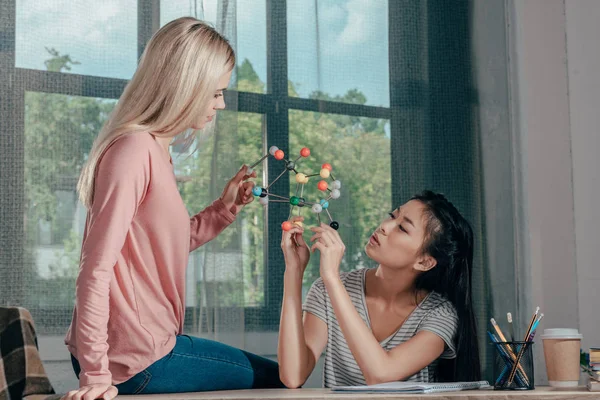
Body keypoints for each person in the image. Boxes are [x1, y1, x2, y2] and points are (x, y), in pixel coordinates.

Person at [63, 17, 283, 399]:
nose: (222, 103)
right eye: (215, 92)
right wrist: (95, 375)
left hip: (142, 350)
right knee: (283, 380)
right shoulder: (134, 150)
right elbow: (95, 269)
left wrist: (223, 209)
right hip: (134, 359)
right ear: (186, 86)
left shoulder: (155, 150)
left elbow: (158, 247)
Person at [278, 190, 481, 388]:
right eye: (392, 216)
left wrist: (332, 278)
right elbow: (293, 376)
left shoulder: (439, 315)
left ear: (424, 262)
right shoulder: (326, 290)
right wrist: (294, 271)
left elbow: (380, 375)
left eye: (402, 228)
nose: (384, 226)